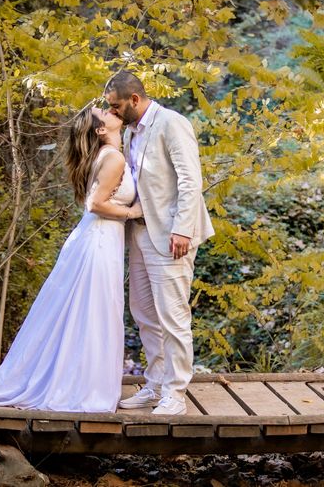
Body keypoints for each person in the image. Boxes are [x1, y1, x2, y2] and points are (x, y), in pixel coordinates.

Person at [0, 105, 142, 412]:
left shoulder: (107, 155)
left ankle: (78, 379)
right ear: (101, 130)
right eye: (104, 111)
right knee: (94, 311)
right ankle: (82, 386)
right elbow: (95, 203)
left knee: (87, 312)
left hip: (98, 239)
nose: (110, 110)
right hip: (99, 241)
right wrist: (133, 212)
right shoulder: (112, 157)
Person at [103, 71, 215, 416]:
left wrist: (182, 229)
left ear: (134, 99)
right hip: (140, 233)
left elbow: (189, 180)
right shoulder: (131, 133)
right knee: (144, 313)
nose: (114, 112)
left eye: (117, 106)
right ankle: (154, 383)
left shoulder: (171, 123)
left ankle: (175, 392)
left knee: (173, 315)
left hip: (171, 236)